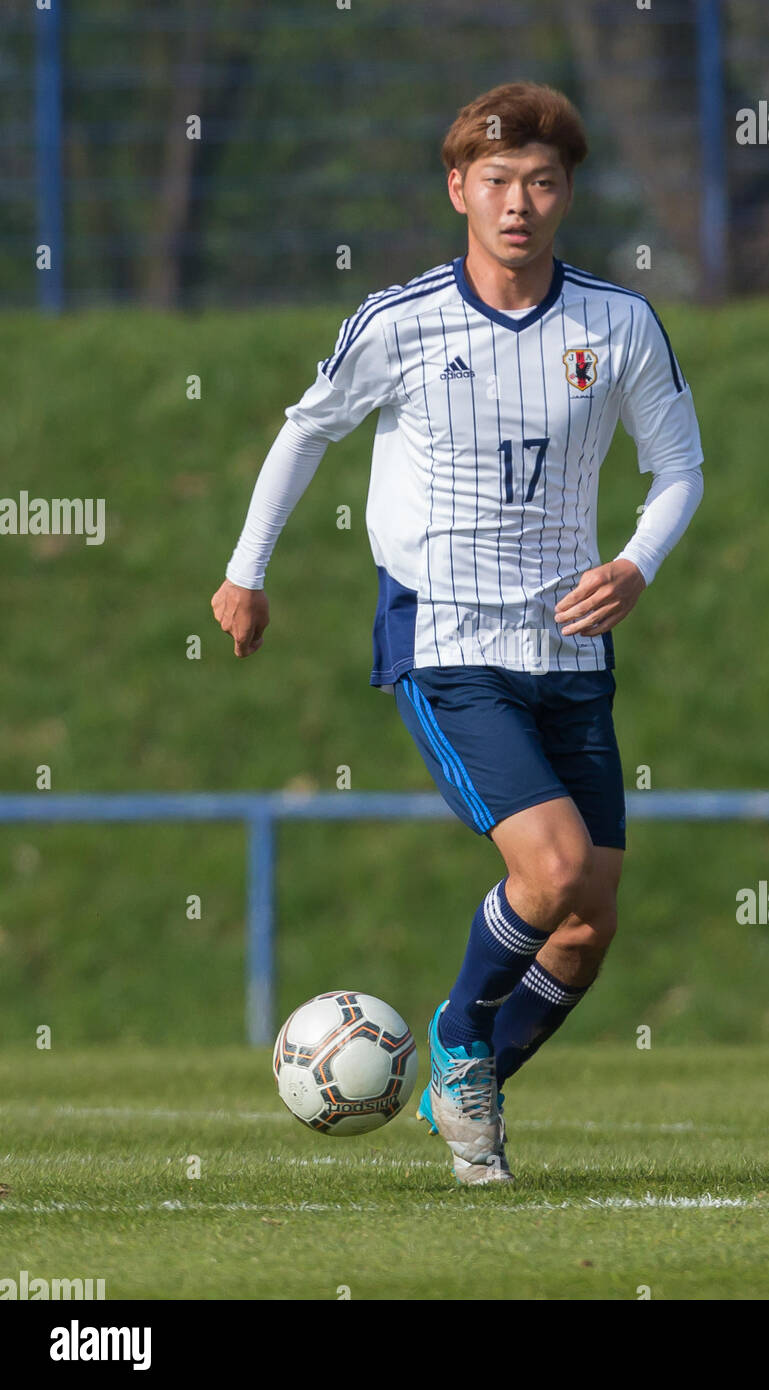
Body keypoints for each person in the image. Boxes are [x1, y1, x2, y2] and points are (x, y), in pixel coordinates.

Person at [212, 81, 704, 1185]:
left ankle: (459, 1073)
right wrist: (247, 573)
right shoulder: (400, 322)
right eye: (495, 182)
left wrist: (634, 565)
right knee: (555, 864)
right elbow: (306, 433)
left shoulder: (617, 324)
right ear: (457, 190)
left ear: (567, 192)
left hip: (571, 649)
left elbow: (680, 469)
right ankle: (461, 1043)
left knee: (586, 923)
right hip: (446, 639)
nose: (518, 202)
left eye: (540, 181)